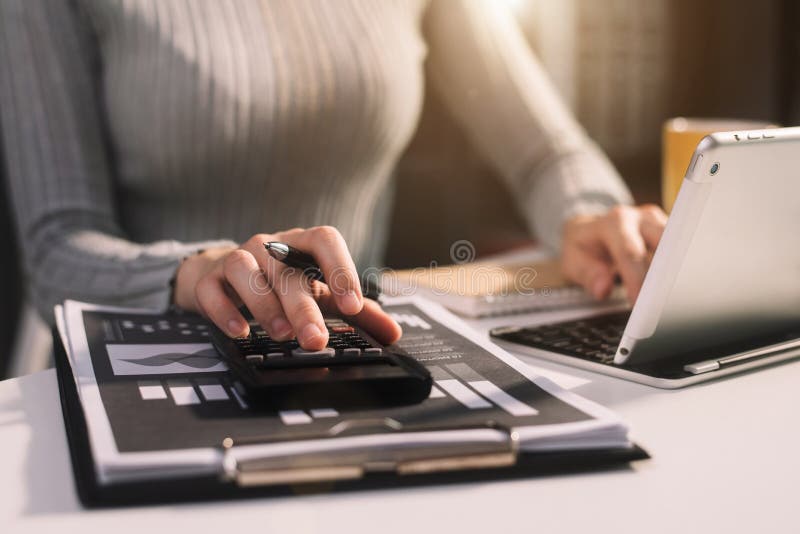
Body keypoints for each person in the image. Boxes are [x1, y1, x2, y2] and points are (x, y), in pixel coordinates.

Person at [0, 0, 667, 351]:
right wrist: (198, 271)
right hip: (136, 357)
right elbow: (57, 247)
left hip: (344, 350)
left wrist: (590, 214)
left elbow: (543, 151)